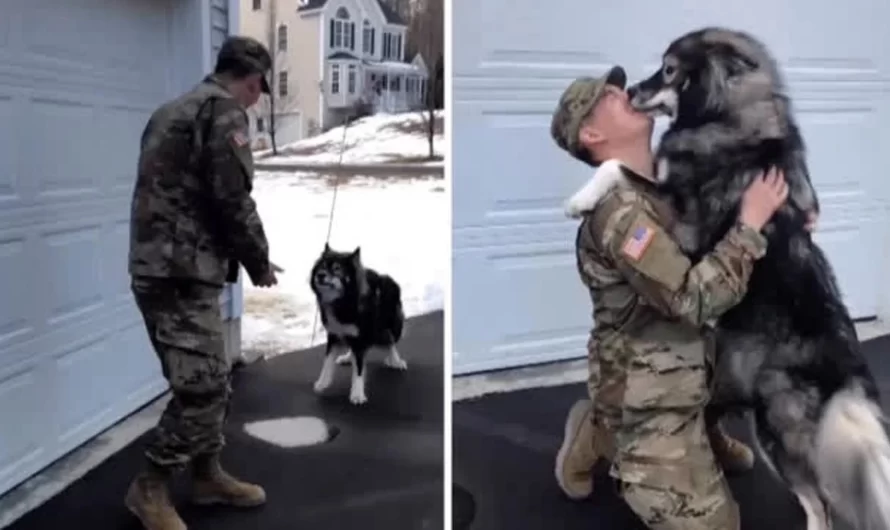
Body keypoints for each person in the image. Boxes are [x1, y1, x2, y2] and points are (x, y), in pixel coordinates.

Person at [548, 66, 813, 529]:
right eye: (606, 96)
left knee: (760, 368)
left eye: (616, 85)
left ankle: (694, 427)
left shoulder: (659, 183)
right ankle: (608, 432)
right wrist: (750, 226)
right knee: (719, 525)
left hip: (693, 361)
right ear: (591, 132)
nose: (621, 91)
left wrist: (783, 221)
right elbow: (694, 299)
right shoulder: (621, 216)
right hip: (647, 392)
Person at [126, 35, 278, 530]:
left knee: (212, 375)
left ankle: (207, 474)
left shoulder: (170, 111)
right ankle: (149, 487)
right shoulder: (224, 112)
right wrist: (260, 261)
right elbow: (232, 201)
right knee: (202, 388)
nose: (257, 98)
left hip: (163, 269)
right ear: (252, 81)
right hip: (181, 275)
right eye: (260, 89)